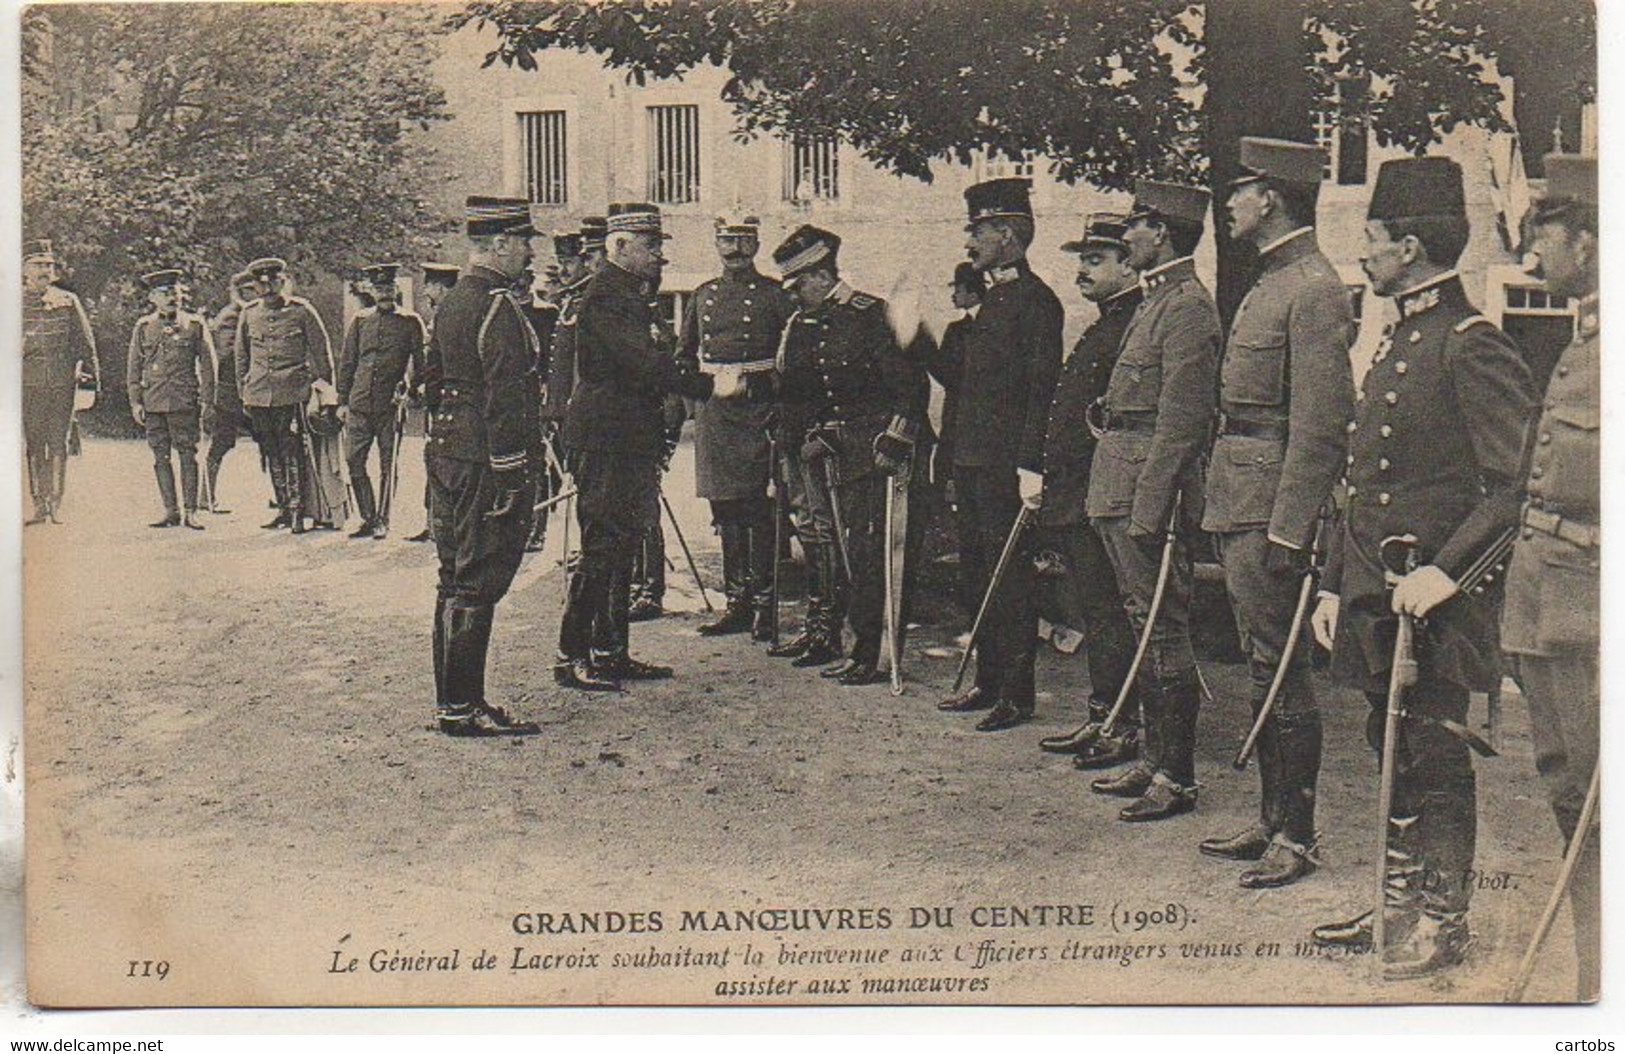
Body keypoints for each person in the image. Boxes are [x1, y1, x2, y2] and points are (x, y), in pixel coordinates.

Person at [1308, 157, 1533, 977]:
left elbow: (1516, 485)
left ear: (1406, 247)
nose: (1360, 255)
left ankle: (1442, 917)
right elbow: (1363, 479)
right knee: (1387, 739)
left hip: (1434, 597)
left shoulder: (1472, 343)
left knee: (1433, 751)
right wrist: (1337, 578)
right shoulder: (1403, 332)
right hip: (1378, 589)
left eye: (1370, 239)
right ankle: (1396, 898)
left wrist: (1448, 571)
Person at [1197, 138, 1356, 887]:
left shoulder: (1313, 288)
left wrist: (1290, 528)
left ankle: (1296, 834)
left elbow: (1320, 425)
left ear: (1273, 199)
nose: (1228, 202)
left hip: (1270, 508)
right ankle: (1270, 819)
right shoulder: (1272, 281)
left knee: (1281, 669)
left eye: (1242, 189)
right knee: (1262, 665)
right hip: (1240, 493)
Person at [1084, 180, 1220, 822]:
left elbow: (1183, 420)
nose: (1126, 236)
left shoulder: (1189, 306)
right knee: (1143, 619)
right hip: (1120, 477)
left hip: (1146, 489)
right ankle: (1153, 755)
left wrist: (1152, 505)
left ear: (1160, 232)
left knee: (1162, 626)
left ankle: (1178, 773)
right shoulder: (1157, 300)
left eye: (1134, 224)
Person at [555, 203, 734, 690]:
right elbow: (645, 365)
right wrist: (712, 385)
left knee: (623, 546)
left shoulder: (631, 296)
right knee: (601, 548)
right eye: (651, 246)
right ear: (619, 247)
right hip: (606, 441)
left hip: (629, 439)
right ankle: (571, 655)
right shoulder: (605, 298)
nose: (661, 257)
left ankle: (611, 651)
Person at [1500, 152, 1599, 1002]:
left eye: (1546, 233)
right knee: (1568, 790)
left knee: (1598, 803)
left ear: (1595, 241)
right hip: (1548, 593)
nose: (1534, 253)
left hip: (1590, 604)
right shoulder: (1584, 338)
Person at [767, 224, 924, 685]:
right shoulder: (802, 323)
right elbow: (795, 388)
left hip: (872, 455)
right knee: (841, 551)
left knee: (871, 552)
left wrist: (894, 440)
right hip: (824, 456)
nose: (794, 296)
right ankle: (847, 642)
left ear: (820, 276)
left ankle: (872, 653)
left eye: (798, 287)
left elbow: (909, 388)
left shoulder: (870, 314)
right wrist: (794, 440)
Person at [933, 177, 1064, 732]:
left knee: (1010, 581)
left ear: (1007, 236)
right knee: (978, 574)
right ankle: (988, 680)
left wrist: (1031, 464)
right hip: (972, 460)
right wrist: (915, 338)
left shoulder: (1036, 303)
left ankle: (1016, 692)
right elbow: (963, 382)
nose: (970, 245)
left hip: (1007, 466)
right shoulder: (994, 302)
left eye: (978, 232)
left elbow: (1041, 390)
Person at [424, 197, 545, 736]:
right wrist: (510, 472)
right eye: (523, 243)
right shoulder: (498, 306)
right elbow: (506, 396)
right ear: (499, 245)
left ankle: (452, 700)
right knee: (478, 576)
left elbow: (432, 380)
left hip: (447, 449)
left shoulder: (450, 302)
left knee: (452, 576)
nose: (529, 254)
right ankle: (463, 706)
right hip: (483, 457)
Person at [1031, 215, 1142, 768]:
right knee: (1097, 609)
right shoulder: (1106, 325)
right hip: (1080, 493)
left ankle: (1124, 723)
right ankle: (1105, 713)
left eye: (1096, 260)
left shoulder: (1132, 327)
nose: (1082, 269)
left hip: (1108, 494)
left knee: (1113, 611)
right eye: (1082, 259)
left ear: (1129, 264)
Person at [679, 213, 795, 640]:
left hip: (758, 406)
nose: (734, 250)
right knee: (724, 509)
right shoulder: (701, 295)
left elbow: (791, 356)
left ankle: (765, 604)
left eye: (743, 241)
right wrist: (697, 400)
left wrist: (766, 391)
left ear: (756, 245)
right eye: (726, 240)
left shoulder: (775, 296)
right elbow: (684, 356)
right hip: (716, 412)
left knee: (758, 508)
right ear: (716, 243)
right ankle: (737, 603)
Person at [234, 256, 336, 535]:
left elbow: (322, 354)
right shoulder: (249, 313)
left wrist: (325, 392)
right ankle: (281, 508)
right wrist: (244, 390)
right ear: (254, 287)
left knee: (293, 451)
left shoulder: (302, 311)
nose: (267, 288)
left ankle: (297, 511)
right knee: (270, 453)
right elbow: (241, 356)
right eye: (261, 283)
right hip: (258, 394)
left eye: (273, 281)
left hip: (293, 393)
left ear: (283, 281)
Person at [338, 262, 426, 539]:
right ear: (372, 292)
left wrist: (412, 391)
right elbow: (348, 362)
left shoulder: (410, 322)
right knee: (354, 460)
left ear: (396, 289)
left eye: (388, 288)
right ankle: (367, 516)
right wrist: (342, 401)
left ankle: (383, 520)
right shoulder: (361, 320)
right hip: (359, 402)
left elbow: (421, 363)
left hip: (390, 405)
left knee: (388, 464)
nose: (384, 293)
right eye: (379, 289)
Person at [126, 267, 218, 530]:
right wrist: (136, 401)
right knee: (160, 457)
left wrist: (208, 402)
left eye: (176, 292)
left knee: (188, 455)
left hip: (184, 400)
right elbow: (134, 368)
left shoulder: (195, 324)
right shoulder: (144, 327)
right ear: (153, 298)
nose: (172, 298)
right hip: (153, 401)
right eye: (165, 293)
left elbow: (209, 367)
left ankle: (191, 511)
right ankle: (170, 511)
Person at [22, 240, 99, 526]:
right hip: (26, 384)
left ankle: (55, 504)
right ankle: (38, 505)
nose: (45, 270)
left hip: (61, 383)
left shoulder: (68, 300)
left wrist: (92, 382)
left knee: (59, 443)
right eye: (38, 265)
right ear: (24, 269)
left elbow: (84, 342)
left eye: (49, 265)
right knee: (34, 444)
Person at [405, 262, 460, 543]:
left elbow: (439, 364)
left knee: (442, 464)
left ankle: (440, 525)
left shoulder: (447, 316)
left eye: (429, 285)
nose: (426, 291)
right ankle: (433, 522)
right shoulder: (441, 315)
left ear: (440, 287)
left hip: (447, 404)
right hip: (439, 401)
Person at [203, 270, 261, 514]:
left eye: (254, 289)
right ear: (236, 292)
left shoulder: (253, 313)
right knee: (221, 442)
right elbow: (226, 355)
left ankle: (284, 500)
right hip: (230, 393)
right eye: (248, 290)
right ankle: (205, 496)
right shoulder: (231, 317)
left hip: (250, 391)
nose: (253, 294)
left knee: (271, 441)